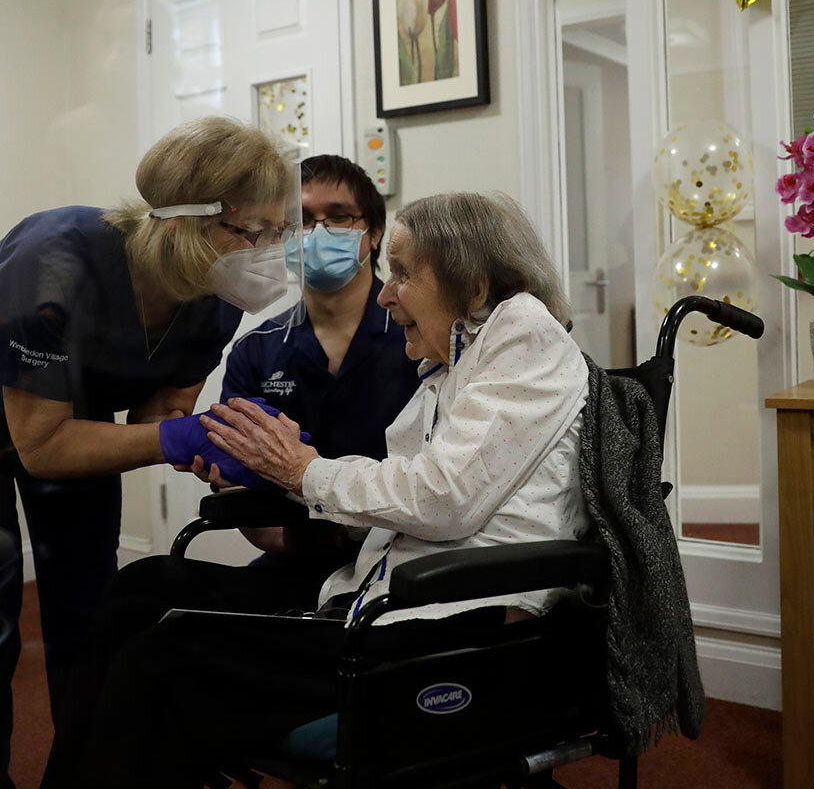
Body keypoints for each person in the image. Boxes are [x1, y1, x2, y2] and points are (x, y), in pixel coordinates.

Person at [42, 192, 590, 788]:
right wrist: (273, 471)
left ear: (476, 287)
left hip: (455, 619)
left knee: (160, 659)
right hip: (389, 594)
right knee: (139, 589)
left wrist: (303, 471)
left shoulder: (523, 332)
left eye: (402, 274)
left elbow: (445, 497)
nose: (385, 293)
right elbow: (418, 499)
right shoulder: (448, 366)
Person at [0, 117, 297, 789]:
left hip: (65, 403)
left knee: (87, 598)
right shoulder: (56, 262)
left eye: (279, 233)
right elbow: (45, 447)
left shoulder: (215, 294)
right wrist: (176, 437)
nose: (267, 254)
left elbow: (159, 413)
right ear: (180, 223)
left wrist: (214, 441)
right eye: (253, 232)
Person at [219, 154, 419, 581]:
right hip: (294, 557)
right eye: (302, 219)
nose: (318, 232)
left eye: (340, 217)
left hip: (408, 559)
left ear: (375, 232)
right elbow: (237, 488)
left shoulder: (421, 338)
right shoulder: (255, 351)